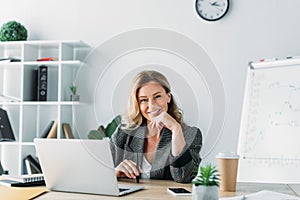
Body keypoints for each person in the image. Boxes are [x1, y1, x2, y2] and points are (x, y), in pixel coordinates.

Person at [110, 70, 202, 183]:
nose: (151, 105)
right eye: (144, 100)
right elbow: (101, 171)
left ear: (168, 97)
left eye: (157, 97)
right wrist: (115, 172)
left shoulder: (190, 134)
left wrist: (176, 129)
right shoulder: (124, 131)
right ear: (138, 104)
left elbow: (183, 177)